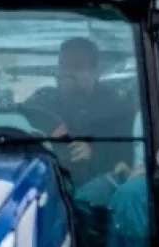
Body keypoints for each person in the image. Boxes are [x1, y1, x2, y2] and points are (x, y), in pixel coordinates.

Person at [24, 37, 133, 185]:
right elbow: (19, 124)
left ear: (96, 72)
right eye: (63, 66)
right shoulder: (42, 99)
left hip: (94, 186)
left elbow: (128, 155)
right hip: (43, 179)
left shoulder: (116, 106)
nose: (67, 73)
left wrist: (93, 153)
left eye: (77, 67)